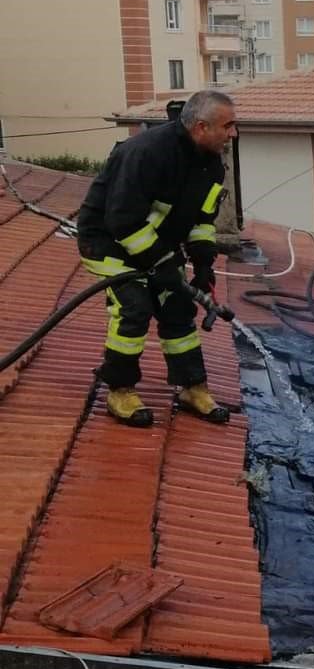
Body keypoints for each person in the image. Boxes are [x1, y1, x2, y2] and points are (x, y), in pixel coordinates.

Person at [76, 90, 238, 428]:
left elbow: (201, 220)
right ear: (200, 127)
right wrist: (161, 264)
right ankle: (120, 391)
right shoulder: (147, 153)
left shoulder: (211, 166)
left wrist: (204, 261)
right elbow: (122, 220)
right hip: (108, 241)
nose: (232, 133)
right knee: (135, 306)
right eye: (228, 126)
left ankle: (192, 387)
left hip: (156, 244)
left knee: (179, 306)